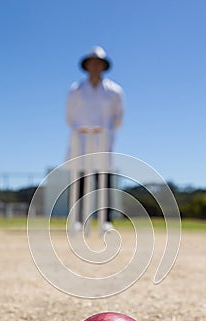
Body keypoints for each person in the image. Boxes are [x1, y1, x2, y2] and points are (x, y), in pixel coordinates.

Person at [66, 46, 124, 232]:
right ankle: (77, 220)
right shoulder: (76, 89)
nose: (95, 67)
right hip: (80, 139)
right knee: (80, 179)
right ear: (87, 66)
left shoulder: (114, 90)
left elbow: (119, 117)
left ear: (103, 66)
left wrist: (105, 130)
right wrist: (80, 129)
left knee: (103, 179)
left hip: (103, 138)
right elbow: (69, 115)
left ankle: (105, 220)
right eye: (92, 63)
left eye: (98, 64)